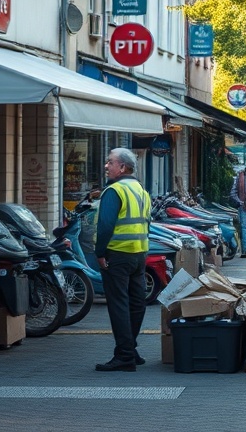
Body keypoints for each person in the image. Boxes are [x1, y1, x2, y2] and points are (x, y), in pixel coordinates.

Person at [94, 147, 151, 372]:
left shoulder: (114, 191)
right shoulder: (140, 190)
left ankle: (124, 354)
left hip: (117, 254)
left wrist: (100, 253)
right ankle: (130, 349)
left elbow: (105, 225)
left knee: (119, 304)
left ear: (123, 167)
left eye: (110, 162)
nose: (106, 166)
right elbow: (148, 222)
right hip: (139, 254)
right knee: (137, 303)